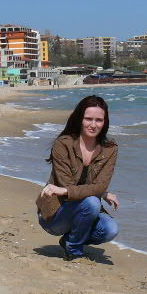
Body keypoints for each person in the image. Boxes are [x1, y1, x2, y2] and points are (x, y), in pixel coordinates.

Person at [35, 95, 120, 261]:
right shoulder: (63, 144)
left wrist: (101, 192)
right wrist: (98, 192)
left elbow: (99, 186)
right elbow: (68, 184)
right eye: (88, 119)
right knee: (92, 202)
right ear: (80, 119)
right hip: (55, 215)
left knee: (110, 229)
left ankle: (69, 240)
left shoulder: (110, 149)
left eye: (99, 120)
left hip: (85, 211)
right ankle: (74, 249)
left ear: (105, 122)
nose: (93, 125)